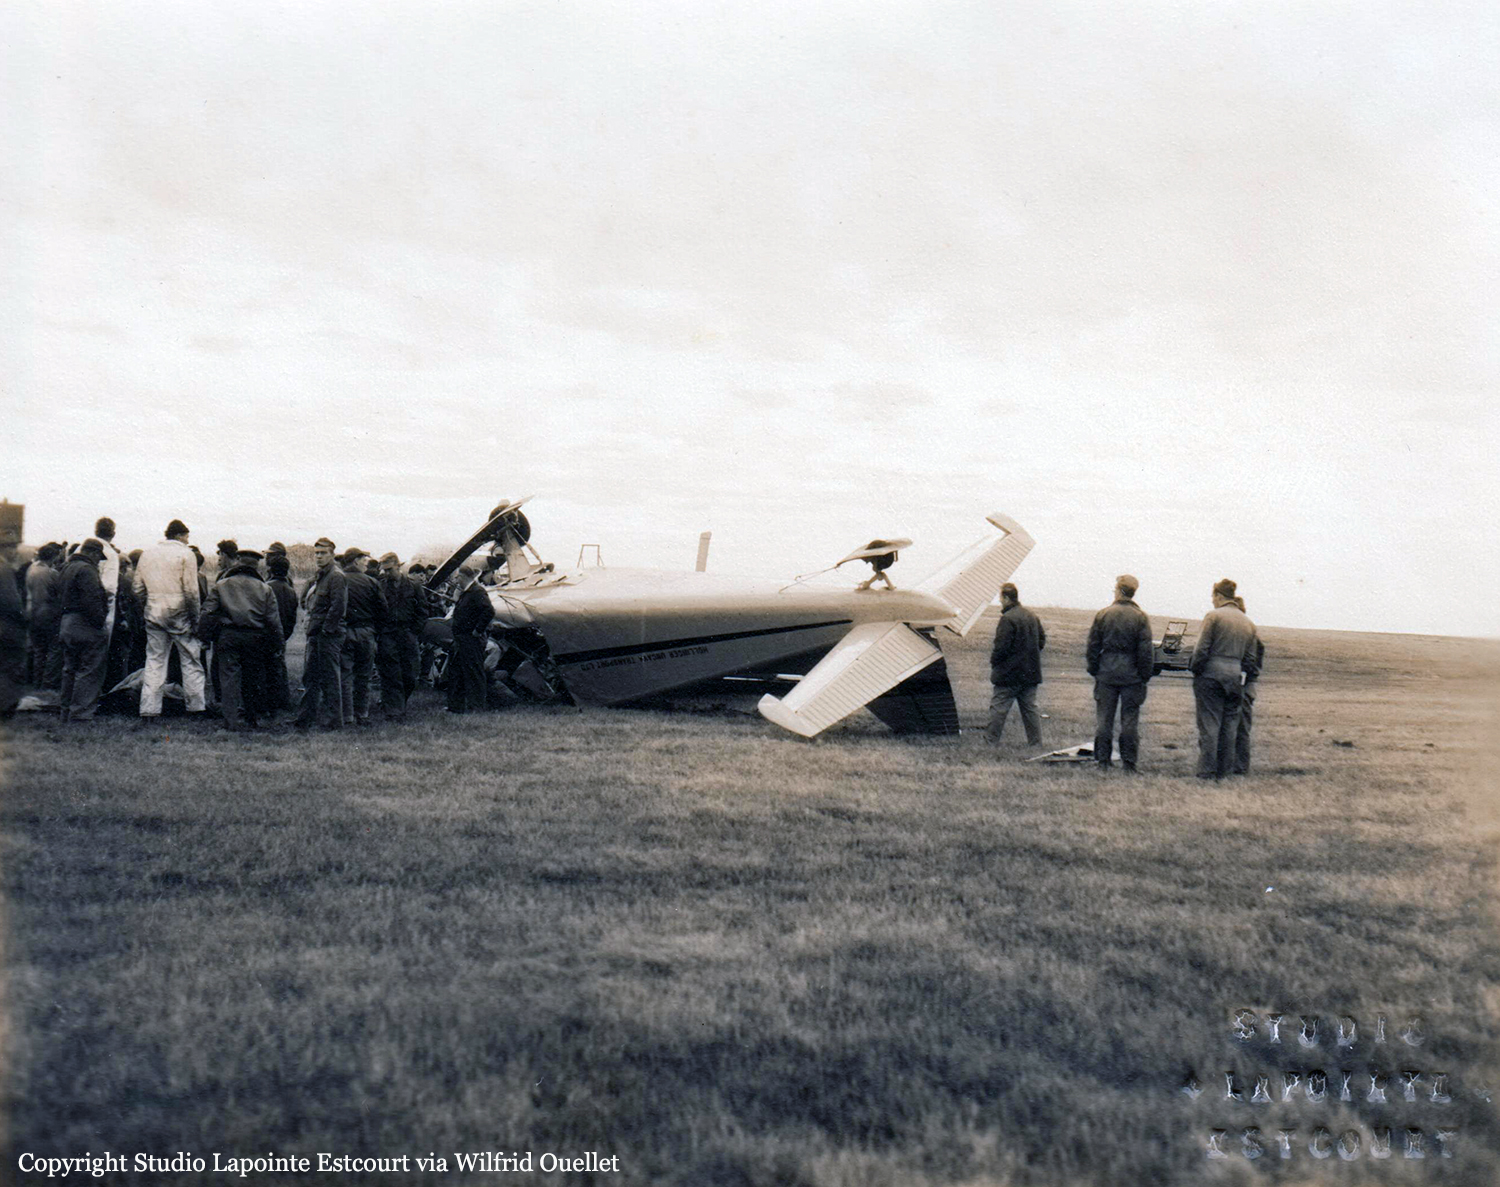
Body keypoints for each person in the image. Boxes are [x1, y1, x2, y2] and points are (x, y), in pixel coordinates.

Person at [199, 548, 284, 730]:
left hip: (228, 636)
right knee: (252, 679)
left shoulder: (222, 585)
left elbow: (207, 612)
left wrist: (205, 636)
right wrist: (278, 643)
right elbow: (273, 620)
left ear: (238, 561)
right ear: (257, 566)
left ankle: (230, 721)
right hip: (255, 637)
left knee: (229, 679)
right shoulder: (265, 588)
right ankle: (251, 719)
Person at [133, 519, 206, 718]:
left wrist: (147, 607)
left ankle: (149, 708)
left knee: (154, 661)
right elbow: (191, 591)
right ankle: (196, 707)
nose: (187, 540)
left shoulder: (147, 554)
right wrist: (195, 619)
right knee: (190, 660)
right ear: (180, 535)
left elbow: (137, 588)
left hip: (154, 612)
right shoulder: (186, 554)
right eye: (186, 536)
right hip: (179, 613)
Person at [1189, 578, 1259, 780]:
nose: (1212, 600)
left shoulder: (1213, 616)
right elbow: (1250, 659)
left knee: (1210, 724)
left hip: (1211, 675)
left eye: (1213, 596)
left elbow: (1201, 649)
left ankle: (1207, 771)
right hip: (1235, 678)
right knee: (1229, 726)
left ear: (1218, 596)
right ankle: (1225, 771)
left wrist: (1196, 670)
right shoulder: (1248, 622)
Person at [1085, 574, 1154, 771]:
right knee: (1129, 720)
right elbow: (1145, 651)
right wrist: (1144, 675)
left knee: (1104, 719)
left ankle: (1103, 761)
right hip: (1132, 674)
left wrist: (1094, 669)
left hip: (1106, 672)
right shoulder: (1141, 617)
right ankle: (1129, 763)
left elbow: (1093, 646)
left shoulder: (1103, 614)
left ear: (1119, 590)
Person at [294, 537, 346, 731]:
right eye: (316, 553)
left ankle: (333, 721)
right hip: (316, 633)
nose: (319, 557)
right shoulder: (321, 575)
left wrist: (326, 631)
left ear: (332, 555)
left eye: (323, 553)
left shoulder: (336, 576)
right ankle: (305, 718)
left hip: (327, 635)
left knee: (330, 678)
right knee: (310, 677)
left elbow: (338, 606)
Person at [57, 539, 111, 722]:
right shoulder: (87, 570)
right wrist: (100, 622)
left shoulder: (67, 567)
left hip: (66, 623)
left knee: (69, 669)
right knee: (89, 669)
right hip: (85, 624)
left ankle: (65, 711)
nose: (98, 561)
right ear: (93, 553)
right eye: (98, 557)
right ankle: (81, 714)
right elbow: (92, 600)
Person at [987, 582, 1046, 747]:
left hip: (1009, 674)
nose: (1000, 601)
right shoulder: (1032, 616)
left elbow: (1001, 647)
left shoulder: (1007, 619)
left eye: (1001, 597)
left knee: (998, 709)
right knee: (1030, 710)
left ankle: (990, 742)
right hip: (1030, 672)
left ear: (1006, 598)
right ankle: (1036, 743)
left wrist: (995, 663)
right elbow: (1041, 640)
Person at [338, 548, 386, 726]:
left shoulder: (338, 580)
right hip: (366, 632)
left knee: (345, 675)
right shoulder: (372, 582)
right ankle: (362, 713)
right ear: (355, 561)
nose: (366, 563)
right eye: (363, 560)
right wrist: (375, 631)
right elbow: (383, 610)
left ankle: (347, 715)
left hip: (344, 632)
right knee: (364, 676)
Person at [376, 552, 421, 720]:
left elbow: (422, 610)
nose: (386, 573)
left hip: (407, 633)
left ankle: (397, 703)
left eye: (389, 569)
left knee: (410, 675)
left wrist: (415, 631)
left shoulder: (414, 586)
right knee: (391, 673)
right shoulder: (380, 586)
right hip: (388, 634)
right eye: (384, 570)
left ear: (398, 566)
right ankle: (394, 710)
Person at [447, 566, 493, 713]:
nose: (456, 580)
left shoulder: (477, 591)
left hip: (470, 639)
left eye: (457, 577)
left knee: (474, 672)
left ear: (463, 576)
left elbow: (489, 611)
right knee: (457, 672)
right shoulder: (467, 592)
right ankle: (456, 706)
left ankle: (477, 706)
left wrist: (478, 630)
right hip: (461, 639)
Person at [25, 542, 64, 702]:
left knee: (39, 651)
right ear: (53, 557)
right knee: (54, 651)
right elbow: (60, 593)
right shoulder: (52, 573)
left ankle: (37, 684)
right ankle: (48, 685)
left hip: (33, 614)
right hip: (50, 616)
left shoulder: (31, 569)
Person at [1232, 596, 1265, 776]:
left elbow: (1251, 665)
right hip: (1247, 685)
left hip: (1244, 685)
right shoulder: (1252, 633)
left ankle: (1239, 766)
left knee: (1240, 727)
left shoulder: (1248, 636)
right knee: (1242, 727)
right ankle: (1239, 766)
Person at [265, 550, 299, 712]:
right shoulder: (291, 591)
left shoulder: (266, 587)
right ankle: (283, 701)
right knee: (279, 666)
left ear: (270, 569)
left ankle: (268, 703)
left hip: (266, 633)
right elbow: (293, 617)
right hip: (283, 633)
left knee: (266, 669)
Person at [0, 528, 26, 717]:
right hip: (6, 627)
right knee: (9, 668)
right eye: (12, 547)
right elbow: (12, 602)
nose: (15, 552)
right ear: (4, 548)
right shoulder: (4, 569)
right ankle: (5, 707)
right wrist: (24, 618)